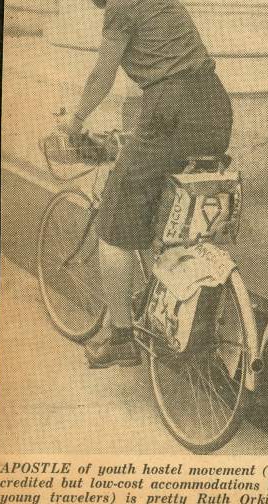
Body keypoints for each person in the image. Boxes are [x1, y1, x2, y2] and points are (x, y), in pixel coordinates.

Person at [60, 0, 232, 367]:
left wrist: (73, 123)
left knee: (113, 232)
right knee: (174, 199)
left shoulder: (120, 7)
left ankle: (121, 338)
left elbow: (101, 77)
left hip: (170, 108)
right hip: (215, 104)